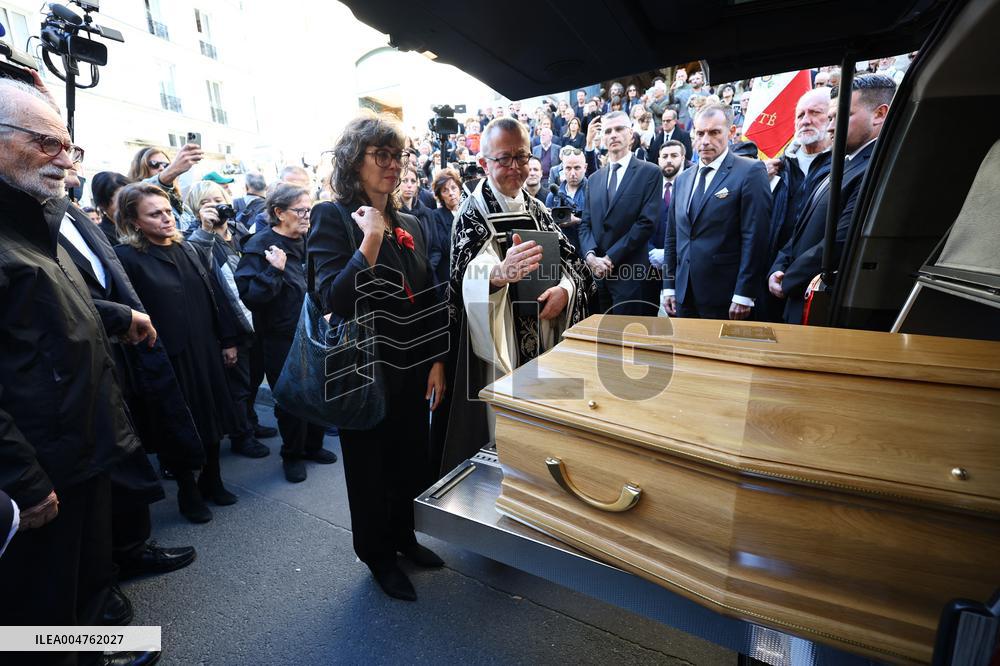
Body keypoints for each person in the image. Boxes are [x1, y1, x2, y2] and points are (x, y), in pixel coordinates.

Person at [0, 77, 156, 666]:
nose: (65, 161)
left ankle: (95, 652)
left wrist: (117, 316)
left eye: (69, 146)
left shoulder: (33, 217)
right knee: (37, 607)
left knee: (83, 583)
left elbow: (47, 303)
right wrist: (22, 478)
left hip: (82, 445)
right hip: (40, 463)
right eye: (47, 144)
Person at [309, 111, 448, 601]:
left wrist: (436, 360)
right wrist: (369, 239)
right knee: (369, 470)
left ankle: (405, 538)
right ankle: (378, 556)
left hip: (412, 363)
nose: (393, 165)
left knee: (410, 460)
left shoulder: (411, 218)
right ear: (354, 159)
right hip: (363, 369)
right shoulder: (332, 216)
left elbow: (427, 292)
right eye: (381, 155)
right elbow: (336, 299)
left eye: (398, 156)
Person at [442, 117, 595, 472]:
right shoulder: (471, 214)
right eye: (504, 159)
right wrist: (496, 274)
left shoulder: (537, 209)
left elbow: (575, 268)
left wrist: (564, 290)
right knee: (504, 437)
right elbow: (462, 278)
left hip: (542, 339)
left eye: (522, 157)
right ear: (484, 163)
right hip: (498, 349)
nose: (515, 167)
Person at [115, 182, 245, 523]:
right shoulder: (127, 258)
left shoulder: (187, 247)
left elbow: (215, 294)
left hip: (206, 348)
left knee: (214, 415)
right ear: (134, 222)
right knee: (179, 424)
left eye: (168, 212)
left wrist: (228, 340)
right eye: (154, 214)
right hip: (165, 355)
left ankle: (212, 481)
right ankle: (188, 490)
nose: (166, 219)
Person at [768, 74, 895, 324]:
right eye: (831, 117)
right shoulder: (843, 165)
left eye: (842, 116)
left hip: (823, 304)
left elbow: (841, 240)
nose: (830, 127)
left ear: (879, 114)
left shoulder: (876, 170)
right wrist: (778, 266)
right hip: (799, 295)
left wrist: (790, 278)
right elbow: (802, 230)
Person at [235, 184, 337, 483]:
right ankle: (292, 454)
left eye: (310, 210)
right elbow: (250, 297)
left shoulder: (310, 241)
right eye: (301, 210)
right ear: (279, 212)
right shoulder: (261, 245)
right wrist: (273, 272)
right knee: (292, 399)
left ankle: (312, 446)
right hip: (281, 338)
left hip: (316, 330)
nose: (307, 216)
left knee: (319, 392)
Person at [663, 103, 772, 320]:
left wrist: (744, 294)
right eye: (700, 133)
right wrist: (669, 286)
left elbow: (756, 236)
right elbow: (672, 237)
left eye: (714, 133)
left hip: (728, 296)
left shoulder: (750, 171)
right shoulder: (683, 179)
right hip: (684, 296)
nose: (705, 141)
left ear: (731, 133)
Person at [184, 181, 268, 458]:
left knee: (254, 379)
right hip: (231, 322)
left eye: (219, 198)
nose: (217, 205)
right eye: (208, 202)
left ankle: (251, 423)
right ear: (197, 208)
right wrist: (206, 229)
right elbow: (201, 272)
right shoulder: (195, 239)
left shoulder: (239, 229)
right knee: (239, 386)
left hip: (254, 316)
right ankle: (242, 435)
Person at [759, 88, 833, 322]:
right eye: (800, 115)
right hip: (769, 275)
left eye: (815, 112)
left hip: (814, 280)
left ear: (831, 117)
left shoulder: (841, 166)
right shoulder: (777, 166)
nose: (806, 120)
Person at [579, 110, 663, 315]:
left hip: (632, 274)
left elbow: (646, 223)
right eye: (608, 131)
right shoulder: (594, 179)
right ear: (603, 138)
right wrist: (591, 258)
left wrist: (610, 258)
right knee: (604, 341)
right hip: (599, 276)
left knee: (632, 340)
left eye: (619, 129)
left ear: (631, 134)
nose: (613, 135)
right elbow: (585, 223)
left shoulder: (650, 172)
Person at [128, 144, 203, 221]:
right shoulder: (131, 196)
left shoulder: (180, 204)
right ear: (139, 168)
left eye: (166, 165)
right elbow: (143, 189)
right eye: (154, 164)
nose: (161, 168)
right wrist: (173, 169)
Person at [648, 140, 687, 274]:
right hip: (649, 266)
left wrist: (670, 253)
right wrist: (650, 251)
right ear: (659, 160)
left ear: (682, 158)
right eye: (665, 156)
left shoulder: (691, 188)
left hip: (682, 266)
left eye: (674, 156)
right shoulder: (648, 188)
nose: (669, 160)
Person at [545, 146, 588, 251]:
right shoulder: (553, 196)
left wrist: (578, 221)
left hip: (586, 252)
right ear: (562, 169)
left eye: (577, 168)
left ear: (585, 167)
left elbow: (600, 226)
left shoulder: (593, 193)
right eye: (568, 168)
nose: (572, 173)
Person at [430, 168, 463, 293]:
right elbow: (446, 247)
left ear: (460, 189)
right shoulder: (436, 215)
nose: (451, 193)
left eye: (454, 188)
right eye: (445, 190)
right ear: (440, 196)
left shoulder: (470, 211)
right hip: (448, 276)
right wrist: (457, 216)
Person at [90, 171, 132, 246]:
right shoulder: (102, 236)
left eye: (130, 197)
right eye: (121, 200)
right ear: (102, 204)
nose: (128, 204)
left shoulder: (141, 225)